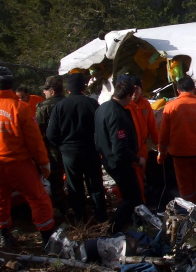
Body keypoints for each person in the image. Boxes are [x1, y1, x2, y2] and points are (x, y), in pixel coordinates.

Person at [0, 67, 55, 249]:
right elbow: (35, 141)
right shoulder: (19, 108)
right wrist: (44, 164)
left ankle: (4, 236)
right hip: (19, 164)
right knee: (38, 199)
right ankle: (46, 239)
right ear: (10, 85)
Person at [46, 73, 108, 223]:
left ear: (68, 89)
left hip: (69, 153)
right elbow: (102, 128)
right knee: (95, 185)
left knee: (75, 187)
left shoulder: (60, 106)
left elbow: (51, 134)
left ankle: (81, 220)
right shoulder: (92, 104)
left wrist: (62, 145)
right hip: (90, 151)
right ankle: (101, 218)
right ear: (83, 88)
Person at [156, 76, 196, 206]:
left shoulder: (170, 106)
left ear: (178, 91)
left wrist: (161, 151)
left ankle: (187, 210)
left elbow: (163, 133)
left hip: (179, 155)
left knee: (184, 186)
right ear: (194, 89)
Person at [95, 79, 145, 233]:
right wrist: (136, 159)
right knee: (132, 197)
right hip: (119, 162)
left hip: (108, 158)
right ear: (128, 96)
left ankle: (136, 225)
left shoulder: (102, 108)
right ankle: (114, 227)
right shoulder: (117, 114)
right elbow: (119, 148)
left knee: (132, 195)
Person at [35, 76, 67, 215]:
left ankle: (61, 208)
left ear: (52, 91)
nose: (44, 92)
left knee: (55, 180)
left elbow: (37, 130)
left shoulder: (43, 106)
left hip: (53, 149)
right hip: (71, 147)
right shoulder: (69, 102)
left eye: (46, 90)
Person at [125, 76, 159, 200]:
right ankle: (136, 203)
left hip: (142, 147)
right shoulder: (125, 104)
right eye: (132, 89)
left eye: (137, 88)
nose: (135, 92)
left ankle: (141, 201)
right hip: (129, 148)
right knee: (131, 179)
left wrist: (159, 144)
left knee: (140, 176)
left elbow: (152, 126)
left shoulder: (145, 104)